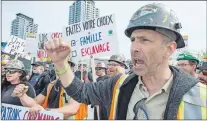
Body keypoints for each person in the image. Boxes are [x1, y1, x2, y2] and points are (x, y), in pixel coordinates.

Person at [32, 3, 207, 120]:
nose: (134, 48)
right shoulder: (118, 85)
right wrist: (61, 62)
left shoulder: (201, 95)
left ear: (169, 48)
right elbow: (82, 93)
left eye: (144, 40)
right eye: (133, 40)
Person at [12, 61, 87, 120]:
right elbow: (35, 102)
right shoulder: (51, 85)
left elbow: (72, 109)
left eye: (64, 64)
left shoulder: (77, 85)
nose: (59, 67)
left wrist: (45, 111)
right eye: (57, 64)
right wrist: (22, 96)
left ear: (71, 68)